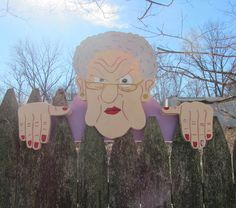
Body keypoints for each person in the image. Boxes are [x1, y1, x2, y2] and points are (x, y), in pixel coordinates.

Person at [18, 31, 213, 150]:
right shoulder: (64, 123)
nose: (110, 94)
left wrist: (195, 116)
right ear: (83, 87)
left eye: (125, 81)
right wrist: (36, 117)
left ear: (145, 87)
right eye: (99, 80)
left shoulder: (166, 121)